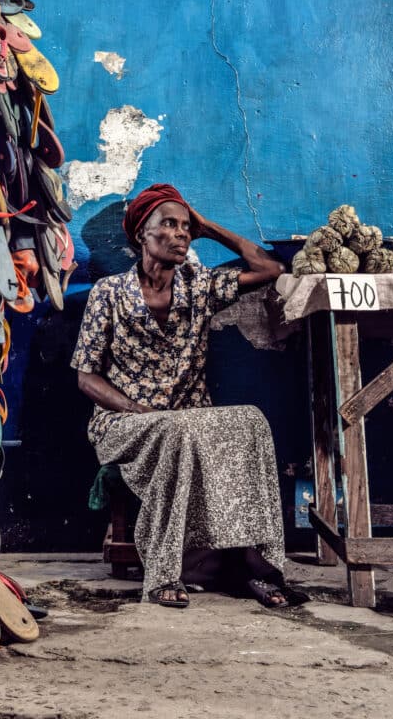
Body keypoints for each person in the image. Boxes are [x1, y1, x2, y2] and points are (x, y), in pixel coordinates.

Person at [71, 183, 289, 608]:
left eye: (186, 226)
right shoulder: (109, 294)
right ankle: (163, 573)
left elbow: (271, 270)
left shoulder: (200, 286)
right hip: (123, 423)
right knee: (175, 430)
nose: (180, 233)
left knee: (251, 420)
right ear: (140, 235)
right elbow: (86, 377)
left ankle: (254, 562)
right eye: (168, 224)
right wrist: (139, 410)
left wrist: (209, 227)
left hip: (189, 420)